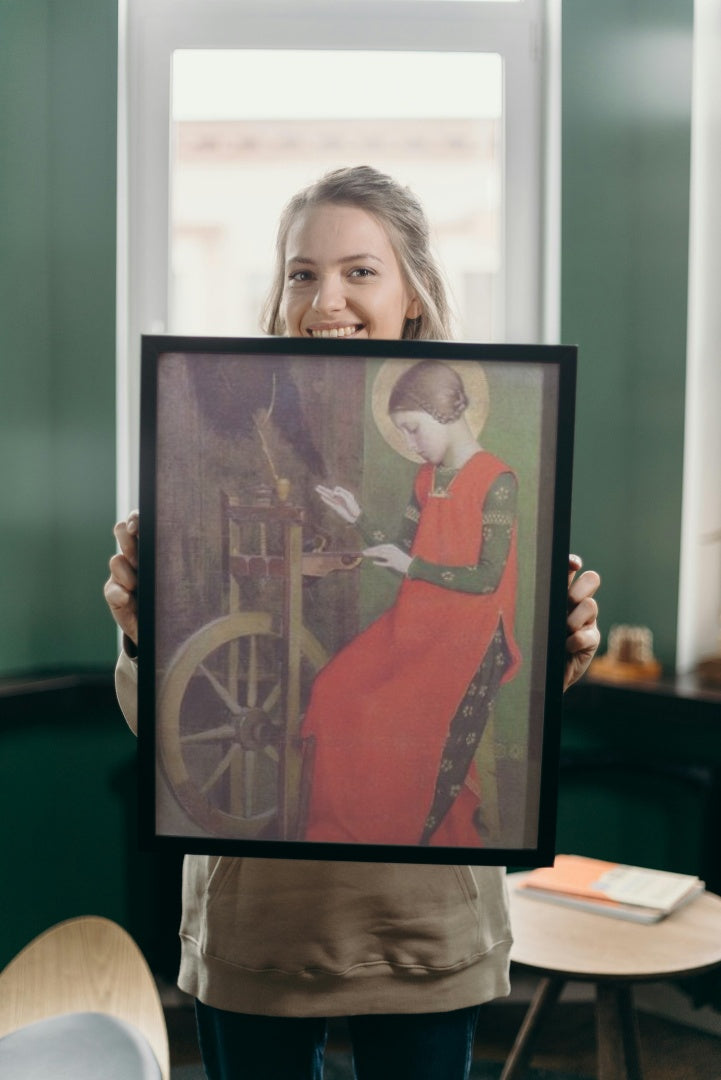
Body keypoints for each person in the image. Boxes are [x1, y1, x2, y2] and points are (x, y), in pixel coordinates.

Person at [105, 165, 601, 1080]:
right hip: (259, 924)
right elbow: (163, 730)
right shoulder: (219, 416)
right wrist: (146, 631)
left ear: (412, 291)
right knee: (333, 691)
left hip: (420, 925)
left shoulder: (496, 469)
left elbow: (484, 594)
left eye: (359, 271)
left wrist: (563, 646)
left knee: (365, 707)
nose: (324, 297)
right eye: (301, 272)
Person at [304, 359, 520, 848]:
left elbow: (487, 578)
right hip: (418, 623)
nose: (409, 443)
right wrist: (358, 518)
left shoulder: (497, 480)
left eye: (413, 429)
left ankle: (394, 832)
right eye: (402, 432)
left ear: (444, 413)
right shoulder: (427, 478)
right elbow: (403, 546)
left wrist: (413, 569)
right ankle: (347, 832)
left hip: (471, 635)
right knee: (336, 690)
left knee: (384, 713)